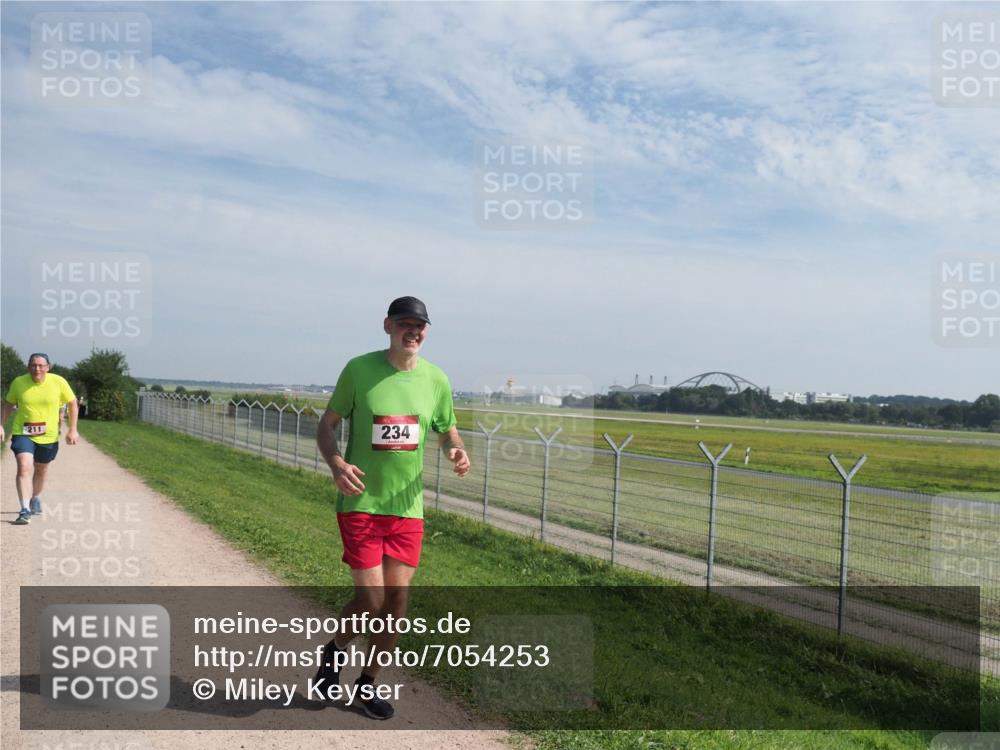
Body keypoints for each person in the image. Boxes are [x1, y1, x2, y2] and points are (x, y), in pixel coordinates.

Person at [314, 296, 470, 719]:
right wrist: (336, 463)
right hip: (361, 501)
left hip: (407, 508)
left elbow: (447, 430)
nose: (413, 331)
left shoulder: (436, 379)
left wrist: (456, 450)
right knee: (371, 599)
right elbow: (326, 426)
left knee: (397, 602)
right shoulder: (359, 370)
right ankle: (334, 652)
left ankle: (366, 684)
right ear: (388, 326)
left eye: (420, 326)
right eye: (405, 324)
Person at [1, 353, 79, 525]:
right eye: (33, 365)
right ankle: (24, 509)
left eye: (41, 365)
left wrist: (72, 429)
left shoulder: (58, 382)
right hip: (23, 432)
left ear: (48, 367)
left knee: (41, 469)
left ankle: (35, 496)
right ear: (28, 366)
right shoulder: (19, 382)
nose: (37, 369)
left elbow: (73, 403)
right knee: (24, 466)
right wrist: (1, 424)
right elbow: (8, 403)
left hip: (49, 435)